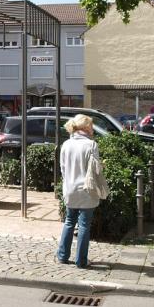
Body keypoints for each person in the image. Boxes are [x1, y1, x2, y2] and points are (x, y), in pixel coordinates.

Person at [57, 114, 100, 268]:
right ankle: (81, 261)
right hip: (86, 191)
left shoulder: (66, 144)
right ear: (85, 127)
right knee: (84, 226)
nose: (92, 128)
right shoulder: (91, 145)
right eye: (91, 125)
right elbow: (95, 170)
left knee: (69, 222)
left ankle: (62, 255)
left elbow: (62, 169)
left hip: (70, 189)